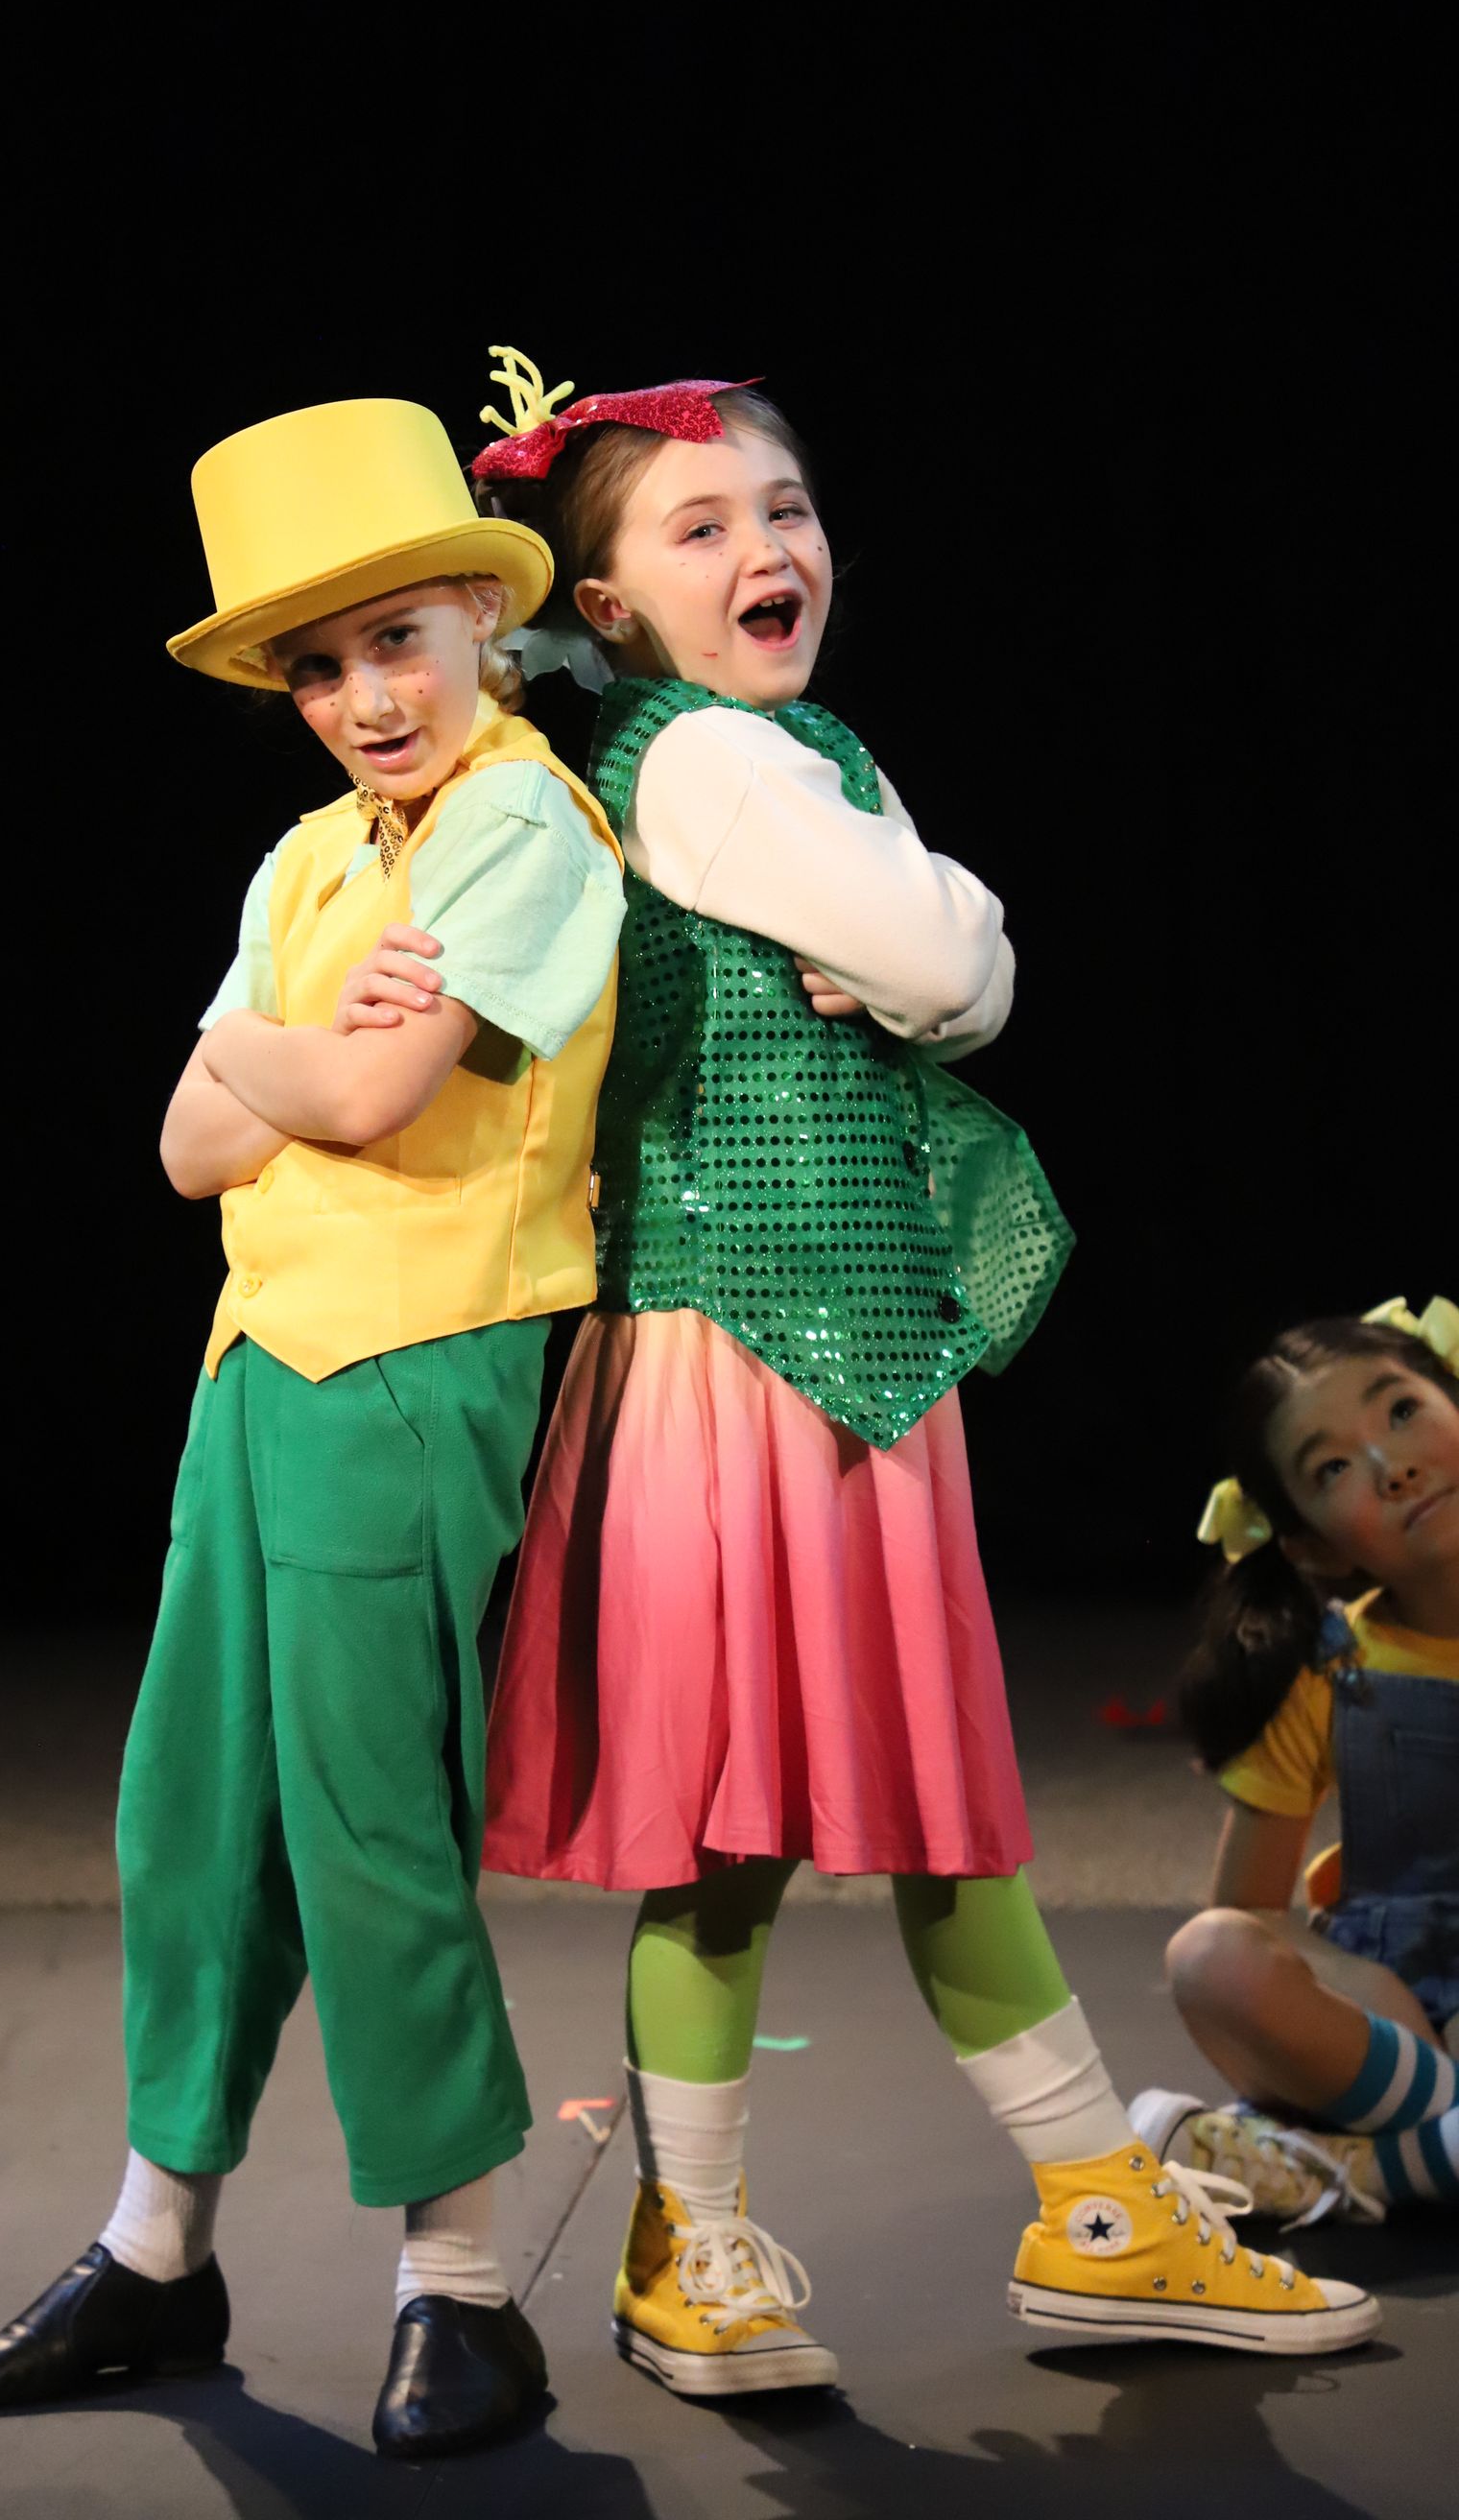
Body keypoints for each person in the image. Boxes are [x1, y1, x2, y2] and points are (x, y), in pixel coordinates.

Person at [473, 347, 1377, 2380]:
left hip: (820, 1362)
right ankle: (971, 2215)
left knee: (817, 1818)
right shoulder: (710, 765)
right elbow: (955, 968)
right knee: (807, 1816)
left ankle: (913, 2218)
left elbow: (954, 982)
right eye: (700, 528)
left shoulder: (761, 755)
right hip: (747, 1365)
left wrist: (939, 940)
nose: (764, 547)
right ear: (606, 602)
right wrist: (948, 925)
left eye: (783, 511)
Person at [0, 395, 626, 2457]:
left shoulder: (522, 822)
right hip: (258, 1371)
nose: (359, 696)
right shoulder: (320, 858)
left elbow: (352, 1109)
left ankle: (466, 2285)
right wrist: (285, 1044)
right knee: (193, 1816)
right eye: (316, 668)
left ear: (481, 630)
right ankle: (160, 2244)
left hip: (421, 1372)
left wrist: (274, 1056)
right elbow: (184, 1147)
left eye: (394, 640)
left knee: (364, 1824)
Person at [1132, 1296, 1459, 2227]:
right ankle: (1429, 2143)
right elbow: (1249, 1914)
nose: (1391, 1465)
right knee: (1209, 1957)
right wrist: (1343, 1988)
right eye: (1333, 1468)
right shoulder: (1330, 1668)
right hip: (1395, 2010)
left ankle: (1340, 2168)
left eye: (1401, 1412)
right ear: (1309, 1540)